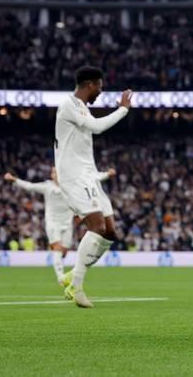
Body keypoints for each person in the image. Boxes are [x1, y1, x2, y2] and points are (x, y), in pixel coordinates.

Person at [55, 65, 132, 308]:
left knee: (110, 232)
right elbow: (97, 127)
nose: (100, 91)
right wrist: (123, 109)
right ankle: (76, 286)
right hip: (73, 177)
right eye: (99, 86)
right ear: (89, 84)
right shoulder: (69, 105)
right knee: (97, 226)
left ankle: (72, 275)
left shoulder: (81, 107)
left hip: (88, 176)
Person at [4, 167, 116, 286]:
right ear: (51, 175)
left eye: (58, 172)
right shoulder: (47, 186)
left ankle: (60, 266)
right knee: (57, 249)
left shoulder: (71, 186)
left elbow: (91, 179)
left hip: (67, 224)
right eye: (54, 172)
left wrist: (107, 174)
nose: (56, 174)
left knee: (64, 252)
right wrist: (14, 179)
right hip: (53, 223)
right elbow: (29, 186)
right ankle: (61, 278)